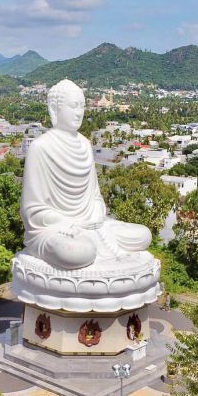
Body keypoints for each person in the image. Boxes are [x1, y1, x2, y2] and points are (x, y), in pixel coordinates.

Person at [20, 79, 151, 270]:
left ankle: (91, 241)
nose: (79, 112)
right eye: (73, 106)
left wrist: (97, 212)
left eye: (82, 106)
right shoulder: (40, 147)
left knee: (143, 235)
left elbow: (94, 195)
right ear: (55, 109)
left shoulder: (85, 145)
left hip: (91, 223)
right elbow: (32, 210)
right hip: (56, 228)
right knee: (77, 252)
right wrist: (68, 223)